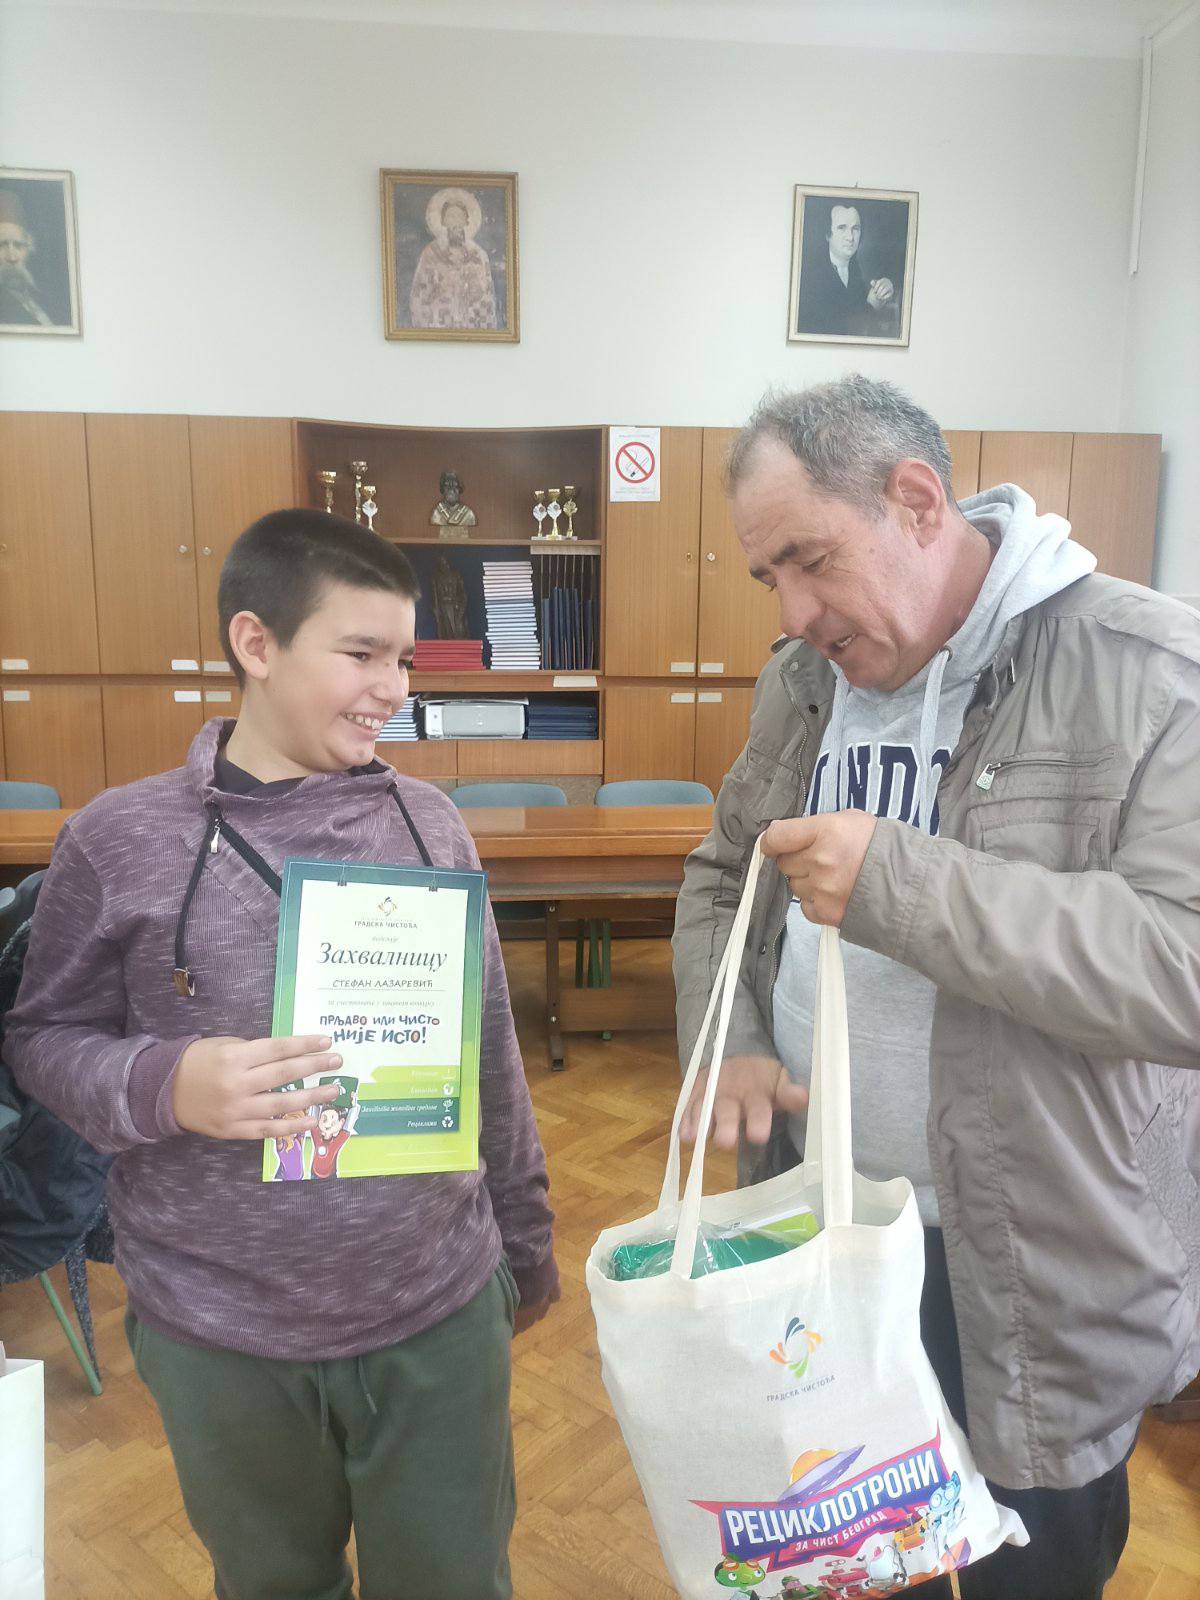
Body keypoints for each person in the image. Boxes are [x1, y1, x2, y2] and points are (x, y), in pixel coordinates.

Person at [673, 375, 1200, 1600]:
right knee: (851, 1564)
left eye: (811, 560)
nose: (794, 611)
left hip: (1030, 1265)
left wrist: (899, 882)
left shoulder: (1148, 670)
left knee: (1033, 1571)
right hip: (822, 1234)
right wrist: (732, 1028)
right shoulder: (803, 680)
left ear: (917, 501)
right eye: (769, 576)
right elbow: (722, 876)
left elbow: (1182, 969)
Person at [5, 508, 559, 1600]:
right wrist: (167, 1084)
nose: (392, 688)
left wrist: (525, 1241)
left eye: (404, 659)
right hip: (219, 1329)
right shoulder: (117, 839)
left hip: (436, 1307)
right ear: (255, 644)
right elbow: (40, 1040)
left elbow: (490, 1051)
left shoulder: (433, 825)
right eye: (361, 654)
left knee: (453, 1582)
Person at [796, 203, 894, 338]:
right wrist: (871, 305)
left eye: (855, 228)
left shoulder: (854, 269)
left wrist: (884, 289)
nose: (850, 237)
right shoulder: (810, 275)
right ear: (827, 234)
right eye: (842, 228)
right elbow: (837, 331)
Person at [409, 188, 498, 331]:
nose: (455, 222)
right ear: (443, 221)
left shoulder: (478, 255)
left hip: (470, 325)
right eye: (450, 216)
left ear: (466, 220)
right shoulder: (430, 254)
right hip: (438, 323)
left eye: (459, 216)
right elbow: (419, 295)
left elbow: (486, 299)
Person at [0, 187, 54, 327]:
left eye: (18, 245)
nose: (12, 257)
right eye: (2, 245)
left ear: (29, 248)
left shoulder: (47, 299)